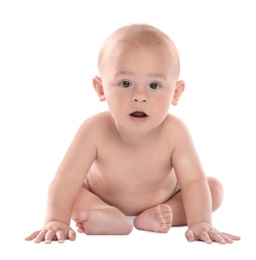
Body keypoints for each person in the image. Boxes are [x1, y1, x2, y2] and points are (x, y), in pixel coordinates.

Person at [25, 23, 240, 244]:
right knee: (74, 193)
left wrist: (201, 222)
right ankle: (106, 214)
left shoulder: (175, 132)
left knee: (212, 189)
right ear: (101, 89)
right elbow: (66, 179)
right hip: (100, 198)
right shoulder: (94, 129)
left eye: (154, 85)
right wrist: (56, 220)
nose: (139, 96)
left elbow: (193, 181)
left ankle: (166, 214)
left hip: (164, 199)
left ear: (176, 92)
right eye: (126, 83)